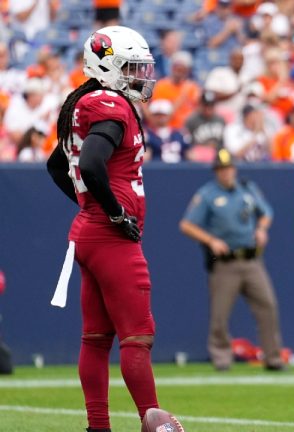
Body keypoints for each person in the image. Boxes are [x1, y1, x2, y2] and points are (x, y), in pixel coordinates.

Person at [45, 26, 182, 431]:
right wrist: (115, 212)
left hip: (91, 233)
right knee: (138, 336)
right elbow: (88, 164)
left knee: (95, 338)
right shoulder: (107, 103)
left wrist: (89, 204)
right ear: (106, 66)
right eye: (132, 68)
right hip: (110, 238)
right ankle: (153, 421)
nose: (141, 76)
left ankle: (98, 426)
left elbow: (57, 166)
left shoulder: (87, 101)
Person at [179, 148, 284, 372]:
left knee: (268, 306)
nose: (225, 173)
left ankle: (273, 357)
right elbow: (187, 224)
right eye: (220, 169)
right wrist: (210, 240)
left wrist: (262, 229)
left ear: (233, 169)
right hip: (225, 262)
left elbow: (266, 212)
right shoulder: (207, 194)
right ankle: (221, 358)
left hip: (251, 259)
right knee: (220, 314)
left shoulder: (247, 188)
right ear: (215, 171)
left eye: (228, 168)